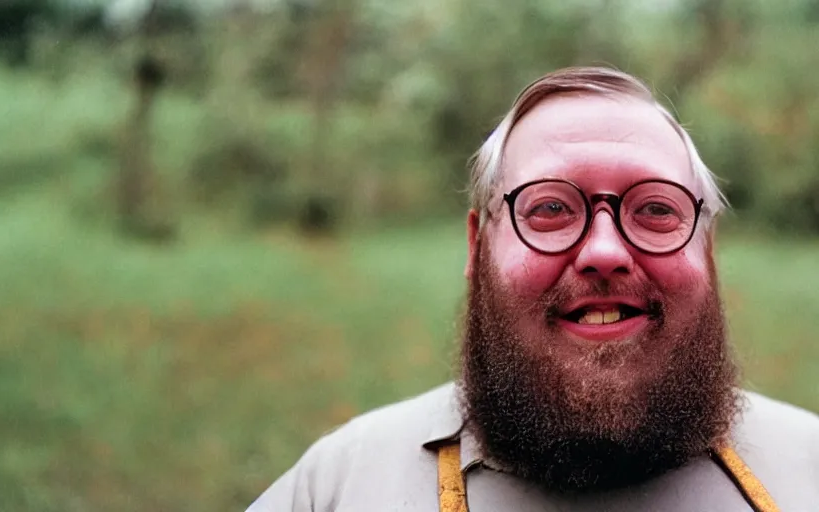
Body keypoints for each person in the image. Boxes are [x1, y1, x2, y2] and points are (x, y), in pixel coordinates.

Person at [246, 67, 819, 511]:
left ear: (707, 250)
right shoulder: (339, 486)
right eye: (549, 208)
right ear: (477, 247)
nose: (604, 252)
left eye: (655, 210)